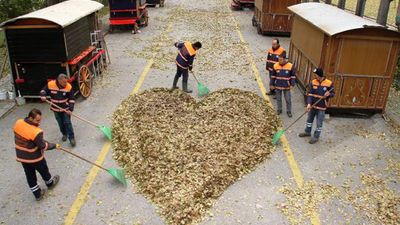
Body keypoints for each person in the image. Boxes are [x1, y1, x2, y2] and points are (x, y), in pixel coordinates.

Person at [14, 109, 60, 201]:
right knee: (44, 171)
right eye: (37, 120)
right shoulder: (35, 132)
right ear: (31, 118)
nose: (39, 122)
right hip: (34, 157)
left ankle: (37, 194)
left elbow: (26, 137)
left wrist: (38, 140)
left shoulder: (18, 123)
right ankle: (50, 183)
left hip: (22, 157)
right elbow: (43, 146)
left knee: (30, 175)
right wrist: (54, 146)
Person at [299, 68, 335, 144]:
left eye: (315, 75)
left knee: (319, 123)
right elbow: (310, 94)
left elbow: (333, 93)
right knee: (309, 120)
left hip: (321, 107)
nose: (314, 76)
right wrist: (309, 104)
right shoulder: (313, 82)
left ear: (320, 75)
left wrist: (328, 95)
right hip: (313, 106)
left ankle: (316, 136)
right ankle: (307, 132)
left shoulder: (329, 83)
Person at [40, 74, 76, 147]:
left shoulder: (69, 87)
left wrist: (70, 109)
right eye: (64, 82)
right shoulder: (51, 84)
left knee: (67, 123)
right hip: (55, 109)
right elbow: (43, 90)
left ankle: (71, 138)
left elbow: (72, 99)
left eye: (66, 82)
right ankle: (64, 134)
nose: (66, 84)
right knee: (60, 123)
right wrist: (43, 95)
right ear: (59, 81)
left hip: (65, 109)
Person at [270, 53, 295, 117]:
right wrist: (271, 84)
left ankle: (289, 111)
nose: (279, 61)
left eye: (280, 60)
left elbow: (293, 76)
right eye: (278, 60)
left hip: (286, 86)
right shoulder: (275, 65)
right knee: (278, 98)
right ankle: (279, 109)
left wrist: (292, 84)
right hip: (278, 85)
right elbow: (273, 76)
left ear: (284, 59)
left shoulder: (290, 66)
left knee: (288, 99)